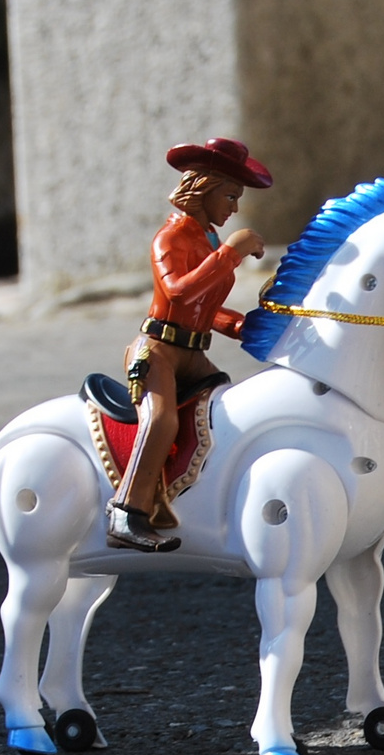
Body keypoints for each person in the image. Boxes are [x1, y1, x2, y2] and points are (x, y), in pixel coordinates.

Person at [107, 138, 273, 552]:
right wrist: (232, 253)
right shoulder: (171, 238)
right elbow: (178, 294)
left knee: (227, 410)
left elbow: (205, 308)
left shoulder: (208, 241)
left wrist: (244, 326)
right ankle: (126, 512)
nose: (234, 208)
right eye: (230, 196)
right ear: (203, 189)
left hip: (193, 354)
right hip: (158, 350)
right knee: (161, 419)